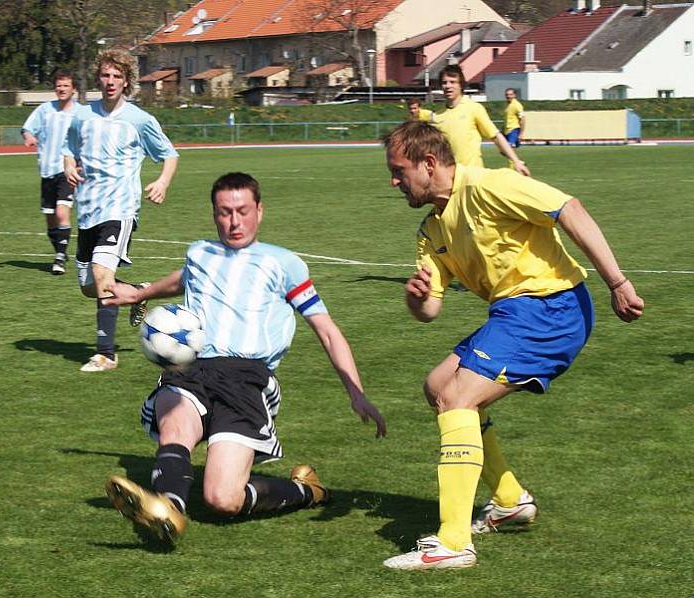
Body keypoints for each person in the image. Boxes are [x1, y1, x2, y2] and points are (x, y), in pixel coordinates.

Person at [380, 121, 643, 570]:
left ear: (428, 164)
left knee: (457, 398)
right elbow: (430, 312)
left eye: (398, 170)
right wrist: (416, 298)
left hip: (552, 306)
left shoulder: (490, 185)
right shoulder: (431, 230)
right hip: (513, 313)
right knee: (437, 385)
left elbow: (569, 209)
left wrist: (616, 281)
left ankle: (453, 542)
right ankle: (509, 499)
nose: (393, 181)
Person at [102, 172, 387, 543]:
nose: (234, 222)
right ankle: (167, 507)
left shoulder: (284, 264)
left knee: (222, 499)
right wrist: (141, 293)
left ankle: (307, 491)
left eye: (242, 211)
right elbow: (184, 278)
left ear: (259, 211)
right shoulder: (200, 252)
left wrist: (356, 392)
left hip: (247, 378)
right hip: (192, 368)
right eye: (224, 212)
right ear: (214, 213)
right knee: (174, 421)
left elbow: (327, 330)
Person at [63, 49, 179, 373]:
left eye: (117, 76)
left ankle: (106, 354)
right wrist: (69, 167)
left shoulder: (140, 120)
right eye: (106, 75)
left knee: (102, 275)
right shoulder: (83, 117)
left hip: (120, 209)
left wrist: (163, 182)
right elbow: (68, 149)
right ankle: (139, 292)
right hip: (88, 211)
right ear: (98, 78)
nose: (110, 81)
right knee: (90, 287)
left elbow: (169, 154)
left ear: (126, 81)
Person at [21, 70, 83, 275]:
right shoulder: (44, 110)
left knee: (61, 212)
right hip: (46, 171)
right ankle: (60, 251)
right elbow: (28, 128)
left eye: (66, 85)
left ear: (74, 89)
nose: (62, 89)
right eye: (59, 85)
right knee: (50, 218)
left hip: (68, 171)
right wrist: (29, 136)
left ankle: (59, 259)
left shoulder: (82, 114)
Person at [430, 65, 530, 177]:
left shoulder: (474, 108)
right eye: (444, 82)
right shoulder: (437, 116)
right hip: (448, 178)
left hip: (473, 176)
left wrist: (516, 161)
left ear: (461, 85)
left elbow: (496, 136)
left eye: (453, 82)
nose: (448, 86)